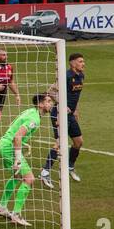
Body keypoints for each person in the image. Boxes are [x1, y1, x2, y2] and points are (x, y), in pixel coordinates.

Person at [0, 93, 54, 227]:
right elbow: (17, 137)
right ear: (40, 104)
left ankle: (2, 208)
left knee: (17, 177)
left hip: (4, 144)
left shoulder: (31, 111)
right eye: (48, 101)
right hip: (9, 147)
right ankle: (16, 215)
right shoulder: (34, 118)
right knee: (29, 179)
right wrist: (17, 158)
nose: (51, 104)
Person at [40, 54, 85, 188]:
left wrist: (75, 109)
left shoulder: (81, 76)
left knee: (78, 142)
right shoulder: (65, 76)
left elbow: (75, 95)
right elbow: (50, 91)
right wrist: (63, 104)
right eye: (80, 61)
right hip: (59, 113)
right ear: (72, 63)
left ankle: (69, 167)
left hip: (70, 114)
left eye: (83, 61)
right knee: (60, 143)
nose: (83, 64)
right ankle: (44, 171)